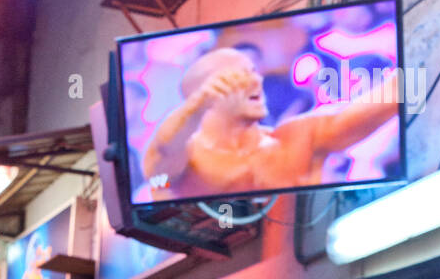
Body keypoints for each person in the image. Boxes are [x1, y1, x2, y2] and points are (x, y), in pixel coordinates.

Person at [143, 46, 401, 201]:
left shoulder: (295, 138)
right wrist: (196, 106)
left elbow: (394, 96)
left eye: (253, 71)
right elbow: (162, 157)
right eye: (238, 77)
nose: (256, 81)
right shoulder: (184, 161)